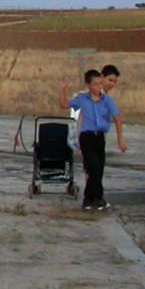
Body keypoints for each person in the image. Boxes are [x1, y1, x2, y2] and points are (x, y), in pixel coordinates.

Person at [61, 70, 127, 211]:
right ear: (89, 85)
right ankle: (98, 198)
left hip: (99, 137)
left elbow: (117, 118)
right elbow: (65, 105)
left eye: (100, 84)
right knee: (94, 168)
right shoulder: (82, 99)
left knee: (98, 169)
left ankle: (89, 199)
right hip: (87, 137)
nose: (98, 88)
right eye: (95, 85)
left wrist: (120, 139)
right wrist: (63, 91)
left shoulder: (107, 100)